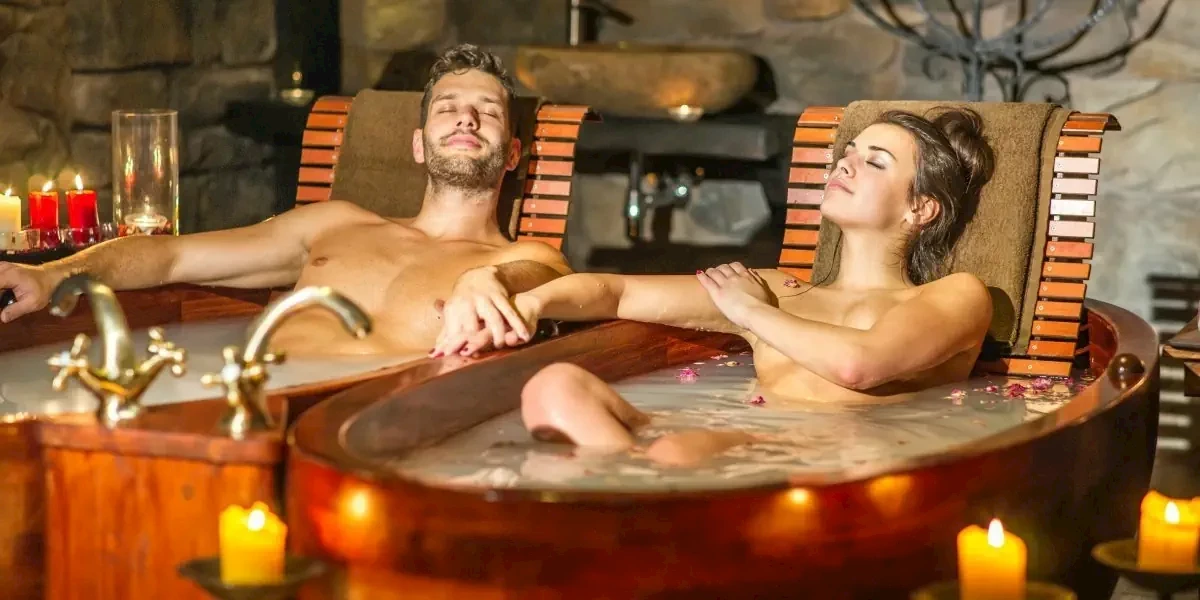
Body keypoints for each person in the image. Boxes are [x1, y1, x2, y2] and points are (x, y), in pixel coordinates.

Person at [445, 107, 998, 460]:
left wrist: (750, 313)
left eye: (875, 162)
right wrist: (528, 302)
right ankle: (625, 498)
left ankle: (623, 503)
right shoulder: (778, 291)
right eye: (847, 153)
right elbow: (617, 292)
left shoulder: (955, 296)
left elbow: (861, 366)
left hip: (839, 468)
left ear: (921, 208)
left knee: (676, 454)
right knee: (555, 387)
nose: (845, 165)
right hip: (744, 445)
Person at [0, 44, 569, 356]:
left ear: (512, 154)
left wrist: (493, 278)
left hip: (359, 437)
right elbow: (170, 256)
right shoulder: (334, 226)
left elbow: (564, 286)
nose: (466, 118)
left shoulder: (521, 262)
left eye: (487, 112)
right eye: (447, 108)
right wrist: (54, 275)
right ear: (419, 145)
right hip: (248, 397)